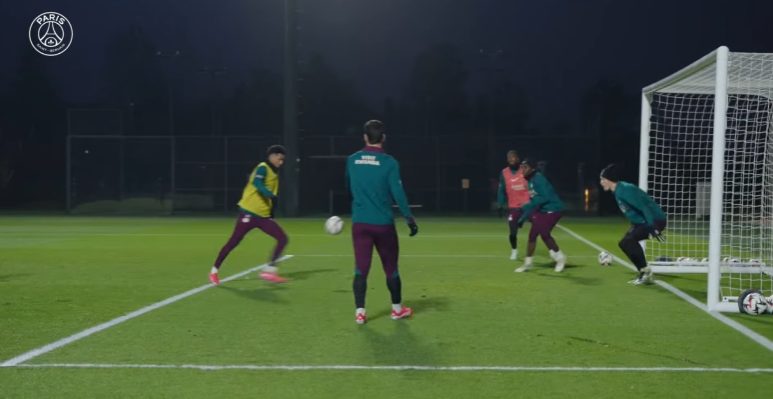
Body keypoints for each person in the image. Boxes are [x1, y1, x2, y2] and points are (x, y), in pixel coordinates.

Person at [346, 120, 418, 325]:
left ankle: (360, 313)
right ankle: (397, 310)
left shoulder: (352, 160)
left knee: (361, 269)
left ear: (364, 137)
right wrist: (409, 219)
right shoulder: (389, 162)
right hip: (383, 224)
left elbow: (349, 186)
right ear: (384, 138)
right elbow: (398, 194)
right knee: (391, 268)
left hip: (360, 223)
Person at [209, 145, 290, 285]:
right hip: (248, 214)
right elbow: (257, 182)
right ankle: (214, 271)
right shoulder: (263, 167)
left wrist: (271, 214)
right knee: (233, 243)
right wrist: (267, 193)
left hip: (263, 217)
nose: (281, 162)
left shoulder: (274, 174)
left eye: (283, 160)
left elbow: (271, 200)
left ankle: (269, 271)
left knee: (282, 238)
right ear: (272, 155)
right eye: (280, 158)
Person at [599, 163, 667, 285]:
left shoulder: (625, 190)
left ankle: (645, 272)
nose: (601, 182)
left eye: (603, 179)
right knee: (624, 243)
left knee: (628, 241)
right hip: (642, 222)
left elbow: (644, 207)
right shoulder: (618, 191)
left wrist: (654, 227)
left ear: (609, 180)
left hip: (654, 220)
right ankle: (644, 271)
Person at [515, 158, 567, 272]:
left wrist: (525, 206)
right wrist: (523, 218)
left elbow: (545, 197)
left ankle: (560, 258)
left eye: (525, 167)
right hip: (543, 210)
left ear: (532, 168)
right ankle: (528, 263)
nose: (522, 170)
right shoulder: (529, 181)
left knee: (544, 233)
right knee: (532, 235)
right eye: (521, 167)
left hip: (554, 209)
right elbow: (534, 203)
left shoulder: (538, 179)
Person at [497, 150, 530, 261]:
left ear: (518, 158)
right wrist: (500, 204)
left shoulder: (524, 169)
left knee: (540, 228)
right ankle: (514, 251)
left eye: (514, 157)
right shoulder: (504, 173)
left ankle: (553, 251)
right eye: (509, 158)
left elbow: (533, 183)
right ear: (507, 160)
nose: (512, 159)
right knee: (512, 231)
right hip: (514, 207)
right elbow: (501, 190)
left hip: (528, 206)